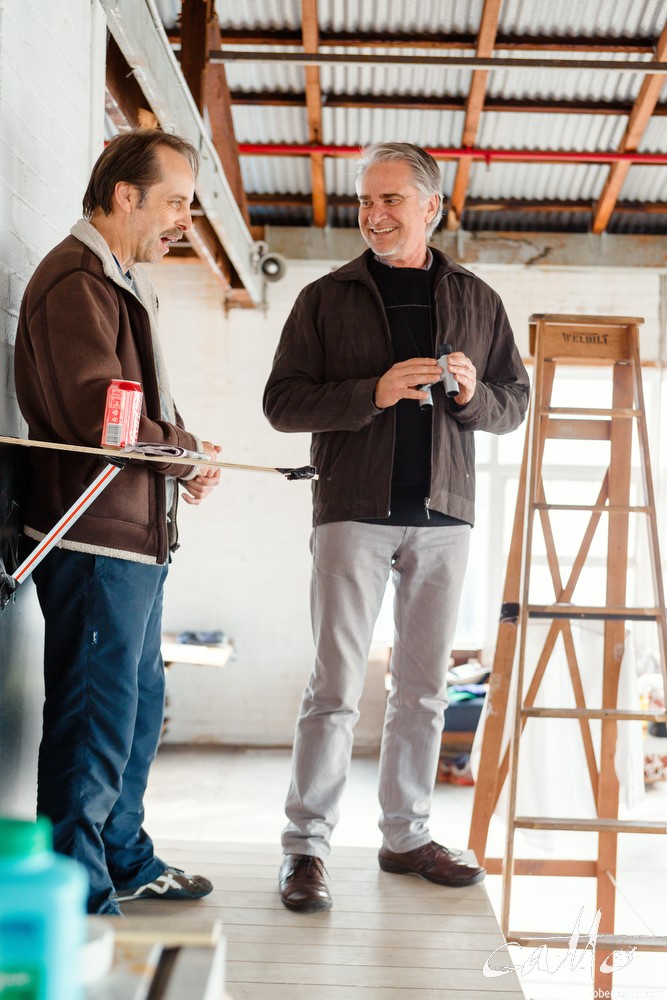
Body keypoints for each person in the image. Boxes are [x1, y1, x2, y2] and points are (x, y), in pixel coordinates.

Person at [264, 142, 530, 912]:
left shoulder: (478, 300)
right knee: (335, 688)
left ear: (428, 207)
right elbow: (281, 402)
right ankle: (306, 848)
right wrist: (371, 393)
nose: (372, 216)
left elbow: (512, 403)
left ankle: (406, 835)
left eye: (388, 201)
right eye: (363, 203)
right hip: (351, 511)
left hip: (446, 516)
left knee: (422, 691)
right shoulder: (323, 297)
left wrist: (476, 394)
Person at [15, 129, 221, 916]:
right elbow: (99, 413)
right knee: (92, 723)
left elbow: (138, 412)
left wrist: (183, 454)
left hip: (132, 542)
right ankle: (75, 898)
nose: (182, 220)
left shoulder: (115, 279)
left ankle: (124, 856)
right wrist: (182, 452)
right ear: (124, 195)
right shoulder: (76, 279)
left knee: (129, 714)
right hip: (95, 539)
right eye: (173, 202)